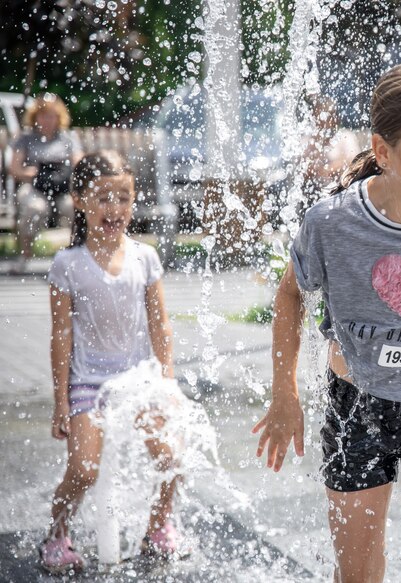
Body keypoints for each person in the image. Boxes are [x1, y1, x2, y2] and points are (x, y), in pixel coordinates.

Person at [253, 60, 401, 583]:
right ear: (383, 152)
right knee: (357, 574)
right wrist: (284, 391)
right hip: (356, 406)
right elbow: (291, 295)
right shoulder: (332, 222)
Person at [39, 151, 180, 575]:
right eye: (103, 198)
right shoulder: (68, 265)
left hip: (139, 377)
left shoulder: (145, 257)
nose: (114, 208)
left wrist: (167, 381)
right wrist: (61, 401)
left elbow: (160, 324)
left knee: (171, 457)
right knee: (83, 470)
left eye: (124, 196)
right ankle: (58, 532)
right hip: (89, 383)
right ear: (79, 200)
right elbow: (61, 336)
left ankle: (157, 528)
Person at [9, 93, 83, 273]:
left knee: (73, 206)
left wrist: (62, 173)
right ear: (35, 117)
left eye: (51, 115)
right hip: (34, 186)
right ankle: (24, 255)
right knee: (35, 208)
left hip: (62, 188)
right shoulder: (25, 138)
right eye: (43, 115)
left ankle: (75, 255)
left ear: (59, 117)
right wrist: (34, 173)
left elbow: (79, 164)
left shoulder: (67, 138)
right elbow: (15, 169)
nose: (47, 120)